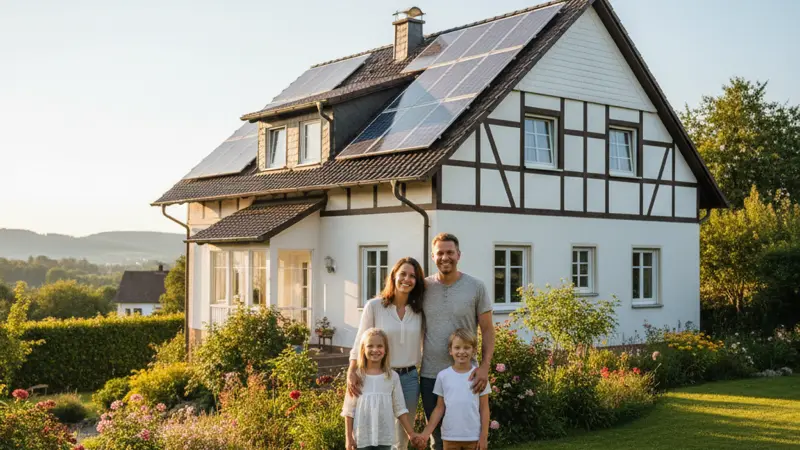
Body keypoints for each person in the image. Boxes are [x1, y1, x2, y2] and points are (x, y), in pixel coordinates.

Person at [420, 233, 495, 450]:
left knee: (469, 437)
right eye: (440, 253)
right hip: (431, 375)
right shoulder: (423, 288)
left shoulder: (476, 287)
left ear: (458, 255)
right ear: (433, 257)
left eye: (450, 252)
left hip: (467, 375)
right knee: (438, 440)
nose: (445, 257)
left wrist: (484, 367)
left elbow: (488, 330)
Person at [347, 257, 425, 449]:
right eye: (403, 274)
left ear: (417, 281)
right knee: (376, 430)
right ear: (393, 276)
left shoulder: (419, 310)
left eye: (412, 276)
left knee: (402, 435)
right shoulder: (375, 306)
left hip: (409, 378)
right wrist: (352, 370)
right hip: (379, 376)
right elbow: (360, 341)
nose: (407, 279)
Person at [342, 328, 420, 450]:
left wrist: (411, 433)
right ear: (363, 349)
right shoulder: (357, 377)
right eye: (370, 346)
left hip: (385, 439)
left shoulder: (392, 377)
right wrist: (348, 438)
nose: (375, 350)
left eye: (379, 346)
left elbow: (400, 409)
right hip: (362, 439)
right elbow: (349, 411)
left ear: (386, 350)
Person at [415, 329, 490, 450]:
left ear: (474, 350)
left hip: (473, 437)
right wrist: (425, 434)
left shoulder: (479, 377)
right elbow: (439, 409)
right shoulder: (443, 376)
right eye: (457, 348)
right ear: (450, 350)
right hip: (449, 437)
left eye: (466, 348)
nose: (462, 352)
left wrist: (483, 436)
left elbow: (484, 408)